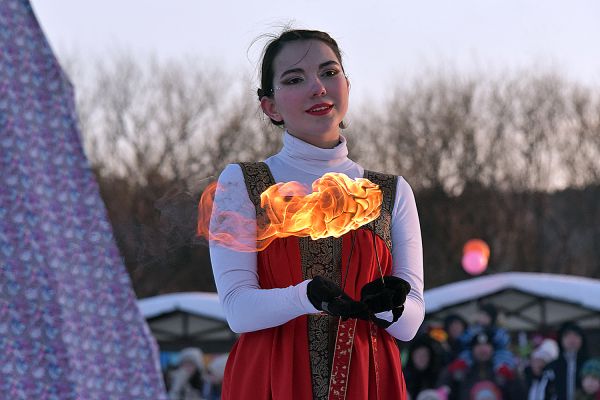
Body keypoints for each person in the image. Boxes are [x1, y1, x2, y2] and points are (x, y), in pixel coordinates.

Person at [208, 29, 424, 399]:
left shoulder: (392, 192)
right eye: (295, 79)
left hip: (368, 379)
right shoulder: (243, 183)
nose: (318, 87)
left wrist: (392, 307)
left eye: (329, 72)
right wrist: (304, 297)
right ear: (270, 106)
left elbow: (410, 324)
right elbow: (238, 310)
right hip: (272, 378)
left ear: (347, 86)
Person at [438, 330, 524, 400]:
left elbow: (520, 394)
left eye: (486, 345)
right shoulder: (461, 370)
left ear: (493, 349)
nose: (483, 349)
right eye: (478, 346)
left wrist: (513, 377)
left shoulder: (505, 371)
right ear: (472, 350)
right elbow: (444, 392)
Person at [540, 322, 589, 400]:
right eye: (567, 336)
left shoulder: (590, 366)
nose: (572, 339)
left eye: (576, 335)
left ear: (582, 339)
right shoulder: (552, 367)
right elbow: (543, 393)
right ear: (561, 340)